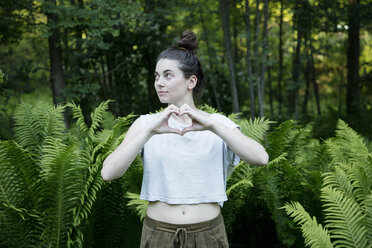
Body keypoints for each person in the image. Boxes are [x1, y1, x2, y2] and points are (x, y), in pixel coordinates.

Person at [101, 30, 269, 248]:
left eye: (168, 75)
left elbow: (261, 158)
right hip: (158, 235)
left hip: (208, 235)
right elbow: (108, 172)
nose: (159, 82)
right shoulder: (146, 124)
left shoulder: (217, 124)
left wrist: (212, 125)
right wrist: (149, 133)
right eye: (156, 76)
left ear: (191, 81)